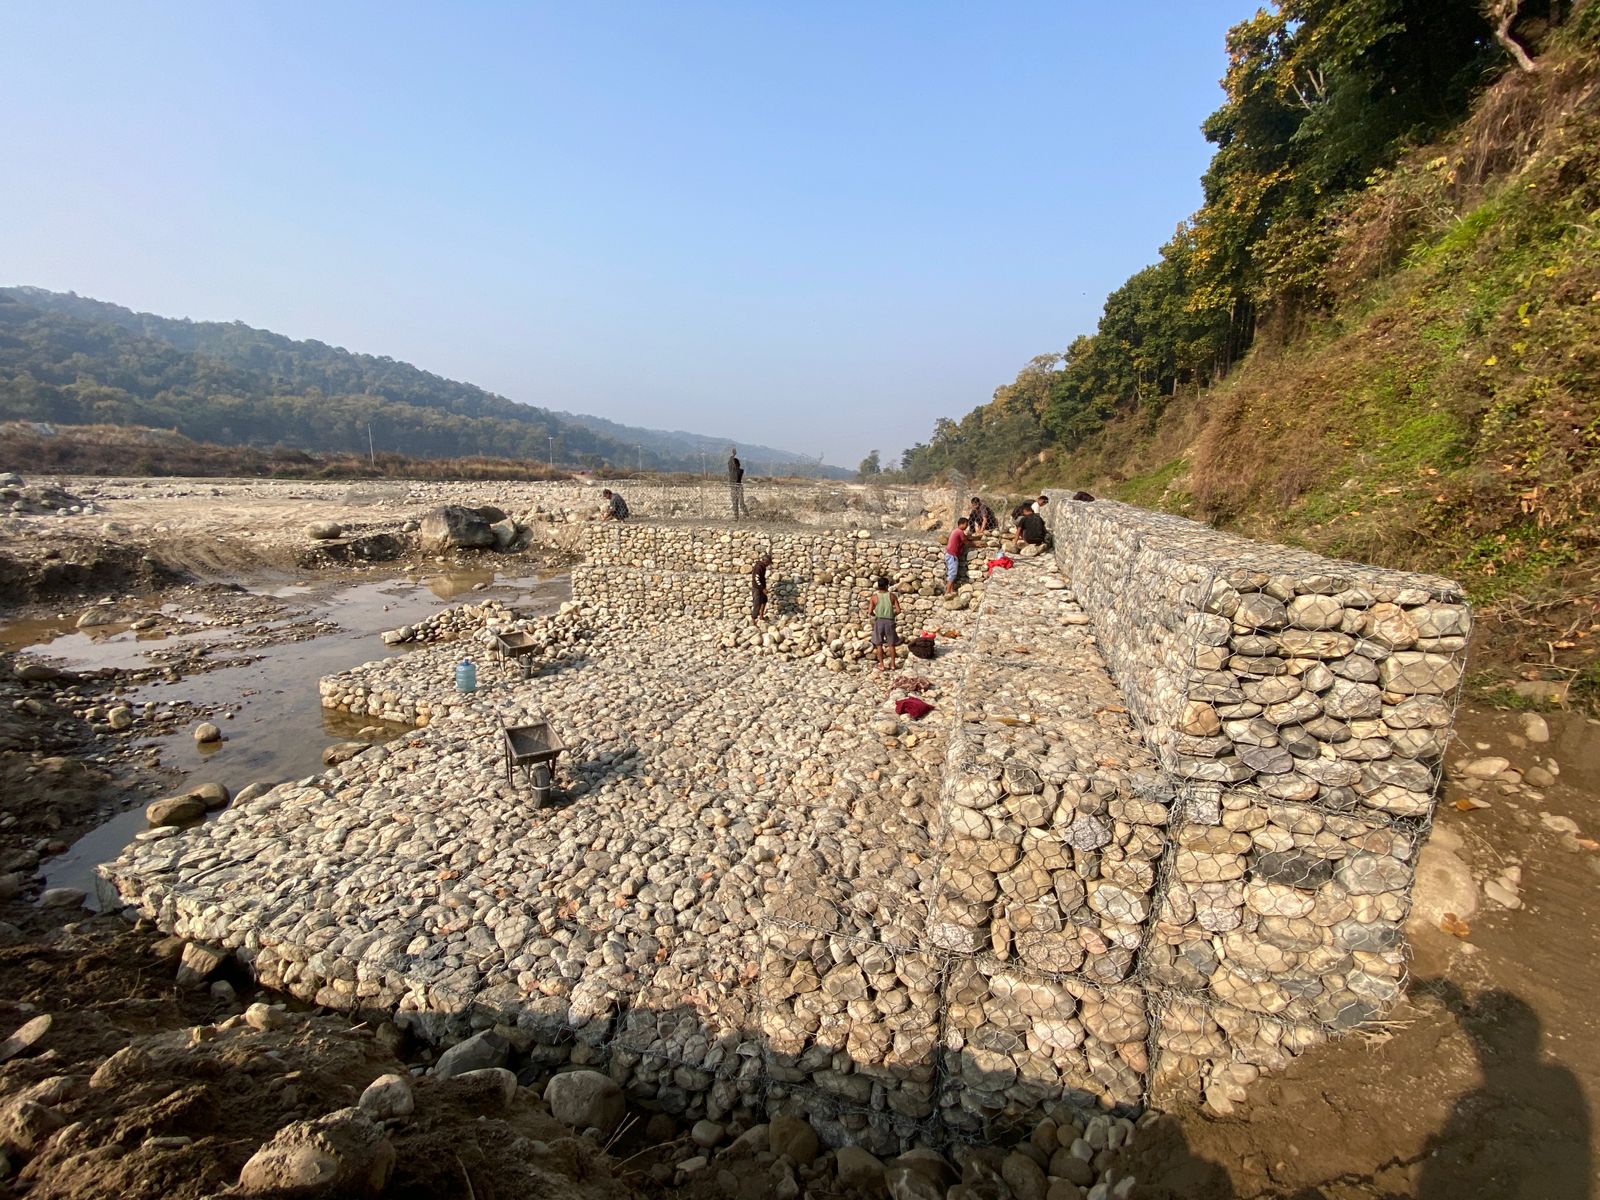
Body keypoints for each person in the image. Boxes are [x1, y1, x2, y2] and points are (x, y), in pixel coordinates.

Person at [867, 576, 901, 672]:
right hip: (890, 621)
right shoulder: (892, 596)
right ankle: (893, 665)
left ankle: (881, 665)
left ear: (878, 586)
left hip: (879, 621)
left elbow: (870, 612)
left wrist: (876, 615)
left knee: (879, 644)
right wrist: (892, 615)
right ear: (887, 586)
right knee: (891, 644)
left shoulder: (874, 597)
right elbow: (898, 610)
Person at [944, 516, 969, 596]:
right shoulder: (959, 532)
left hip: (949, 554)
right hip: (952, 555)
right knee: (952, 573)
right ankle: (947, 592)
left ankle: (951, 591)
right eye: (966, 524)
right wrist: (975, 544)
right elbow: (965, 541)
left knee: (951, 572)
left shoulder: (955, 531)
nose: (967, 526)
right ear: (961, 524)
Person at [750, 553, 772, 622]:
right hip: (757, 588)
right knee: (757, 603)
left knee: (764, 600)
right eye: (768, 563)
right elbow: (756, 579)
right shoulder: (758, 567)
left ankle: (761, 616)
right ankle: (753, 620)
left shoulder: (763, 567)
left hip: (761, 587)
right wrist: (762, 588)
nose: (768, 565)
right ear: (765, 561)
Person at [727, 447, 747, 520]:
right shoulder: (740, 470)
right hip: (738, 487)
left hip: (735, 487)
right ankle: (744, 514)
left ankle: (738, 516)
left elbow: (730, 463)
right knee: (739, 503)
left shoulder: (736, 471)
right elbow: (730, 463)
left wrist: (733, 455)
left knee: (736, 503)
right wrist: (733, 456)